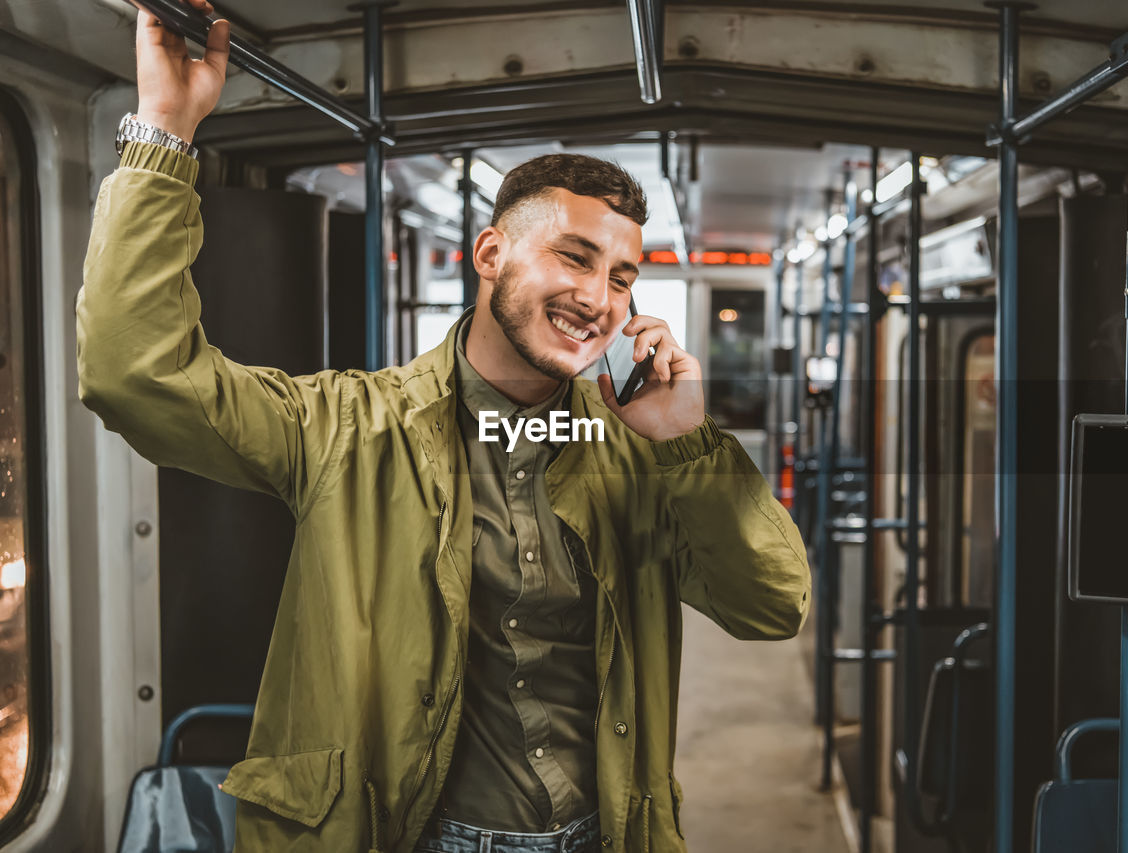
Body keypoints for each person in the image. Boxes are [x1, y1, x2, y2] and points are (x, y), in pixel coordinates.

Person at [78, 3, 811, 851]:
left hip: (596, 833)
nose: (599, 299)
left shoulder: (640, 456)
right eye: (573, 257)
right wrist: (164, 133)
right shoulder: (348, 426)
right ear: (491, 254)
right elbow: (136, 373)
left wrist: (688, 441)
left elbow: (774, 604)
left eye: (622, 277)